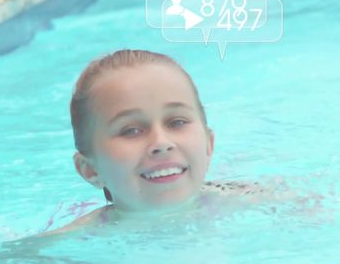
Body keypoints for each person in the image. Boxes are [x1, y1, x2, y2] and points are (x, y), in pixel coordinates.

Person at [43, 49, 263, 237]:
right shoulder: (71, 244)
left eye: (177, 122)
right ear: (90, 170)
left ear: (209, 144)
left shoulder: (261, 203)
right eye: (131, 131)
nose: (161, 143)